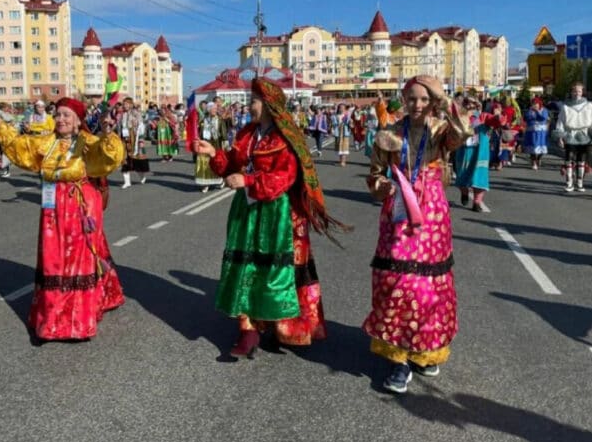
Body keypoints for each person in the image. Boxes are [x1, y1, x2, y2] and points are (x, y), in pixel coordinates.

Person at [194, 77, 347, 358]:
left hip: (277, 214)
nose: (248, 105)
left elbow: (285, 177)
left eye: (253, 101)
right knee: (246, 269)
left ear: (268, 105)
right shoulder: (247, 134)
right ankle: (248, 329)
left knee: (275, 273)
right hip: (247, 212)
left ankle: (280, 324)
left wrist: (248, 180)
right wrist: (214, 153)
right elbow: (231, 166)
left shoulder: (286, 137)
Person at [0, 96, 125, 341]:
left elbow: (109, 156)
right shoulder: (47, 142)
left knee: (78, 256)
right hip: (52, 206)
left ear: (77, 121)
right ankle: (54, 318)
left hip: (80, 204)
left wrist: (108, 131)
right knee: (53, 257)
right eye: (58, 114)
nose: (60, 119)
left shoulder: (87, 142)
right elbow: (19, 146)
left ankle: (77, 320)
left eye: (67, 115)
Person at [364, 75, 472, 394]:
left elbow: (464, 131)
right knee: (396, 280)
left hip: (432, 213)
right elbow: (374, 175)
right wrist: (382, 186)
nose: (417, 105)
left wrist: (444, 98)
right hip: (399, 209)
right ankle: (399, 359)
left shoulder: (440, 130)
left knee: (428, 285)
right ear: (403, 99)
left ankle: (423, 349)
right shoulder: (389, 134)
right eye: (412, 99)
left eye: (425, 99)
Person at [453, 95, 500, 213]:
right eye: (467, 103)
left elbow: (495, 121)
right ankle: (464, 193)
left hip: (480, 152)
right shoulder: (458, 118)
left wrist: (498, 117)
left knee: (479, 177)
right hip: (464, 151)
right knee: (462, 176)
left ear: (477, 105)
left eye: (473, 104)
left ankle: (477, 202)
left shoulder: (483, 116)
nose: (470, 106)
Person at [554, 81, 592, 192]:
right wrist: (560, 137)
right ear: (571, 92)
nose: (577, 93)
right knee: (568, 159)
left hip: (584, 135)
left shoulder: (589, 106)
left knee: (581, 160)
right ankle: (569, 183)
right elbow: (560, 122)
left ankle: (579, 183)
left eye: (579, 91)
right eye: (574, 91)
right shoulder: (565, 107)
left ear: (582, 92)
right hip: (570, 135)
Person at [196, 102, 227, 192]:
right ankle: (205, 183)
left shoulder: (220, 120)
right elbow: (199, 132)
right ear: (208, 110)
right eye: (213, 109)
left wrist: (225, 145)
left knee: (215, 163)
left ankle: (219, 180)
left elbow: (224, 133)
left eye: (215, 109)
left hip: (216, 145)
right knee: (204, 163)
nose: (215, 110)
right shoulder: (203, 120)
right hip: (205, 144)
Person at [118, 98, 150, 187]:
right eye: (124, 104)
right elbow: (120, 127)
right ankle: (127, 181)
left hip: (134, 139)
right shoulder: (122, 115)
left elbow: (141, 126)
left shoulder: (136, 113)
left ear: (131, 104)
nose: (124, 105)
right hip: (124, 139)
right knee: (124, 159)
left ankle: (141, 176)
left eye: (126, 104)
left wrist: (141, 139)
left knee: (136, 160)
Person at [523, 97, 549, 170]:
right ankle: (534, 162)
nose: (534, 105)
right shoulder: (530, 110)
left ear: (539, 104)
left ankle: (538, 158)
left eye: (536, 103)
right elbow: (526, 118)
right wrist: (531, 114)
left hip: (541, 132)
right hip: (532, 132)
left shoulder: (544, 110)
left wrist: (537, 112)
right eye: (533, 103)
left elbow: (543, 118)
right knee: (533, 147)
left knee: (542, 148)